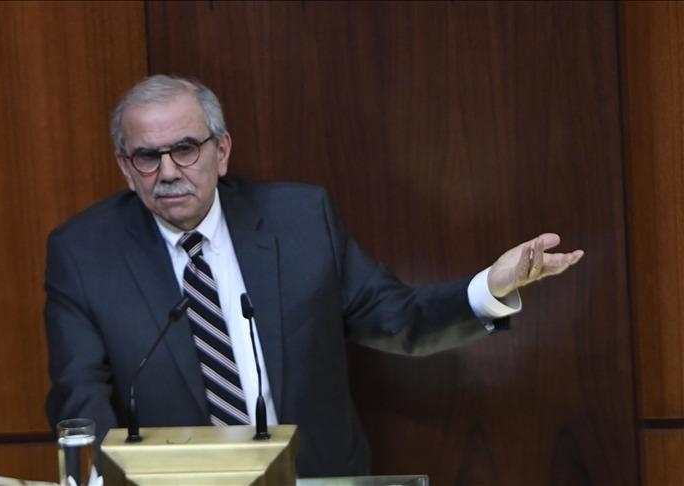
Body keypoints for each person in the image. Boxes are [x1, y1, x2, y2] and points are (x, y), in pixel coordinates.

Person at [44, 74, 584, 478]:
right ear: (125, 168)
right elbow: (79, 394)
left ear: (221, 151)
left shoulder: (300, 221)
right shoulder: (85, 254)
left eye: (185, 149)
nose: (167, 172)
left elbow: (394, 316)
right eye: (146, 157)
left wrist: (490, 287)